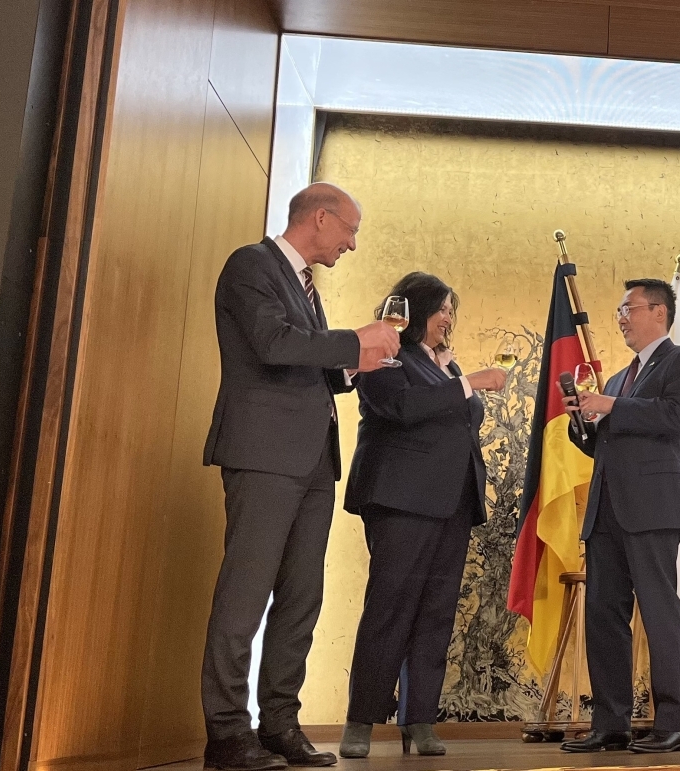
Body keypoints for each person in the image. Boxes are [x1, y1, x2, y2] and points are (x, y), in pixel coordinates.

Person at [200, 183, 400, 770]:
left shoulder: (305, 287)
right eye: (350, 230)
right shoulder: (251, 265)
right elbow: (272, 344)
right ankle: (226, 733)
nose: (352, 244)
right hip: (265, 456)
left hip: (313, 463)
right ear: (320, 218)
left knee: (301, 598)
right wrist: (353, 341)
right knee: (245, 595)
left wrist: (355, 363)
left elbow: (311, 365)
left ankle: (279, 725)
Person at [338, 272, 506, 758]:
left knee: (436, 613)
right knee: (389, 608)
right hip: (402, 498)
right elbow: (399, 406)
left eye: (452, 310)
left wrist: (456, 379)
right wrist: (468, 384)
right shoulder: (385, 350)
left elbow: (462, 417)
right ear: (415, 310)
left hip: (453, 501)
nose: (448, 318)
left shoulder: (444, 365)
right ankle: (361, 721)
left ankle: (420, 720)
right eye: (442, 308)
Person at [559, 278, 680, 755]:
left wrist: (612, 406)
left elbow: (674, 418)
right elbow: (603, 444)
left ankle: (672, 723)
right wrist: (582, 423)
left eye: (629, 308)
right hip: (607, 509)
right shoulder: (619, 378)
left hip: (654, 507)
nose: (621, 318)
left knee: (660, 612)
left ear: (659, 312)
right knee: (603, 616)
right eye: (620, 311)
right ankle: (611, 725)